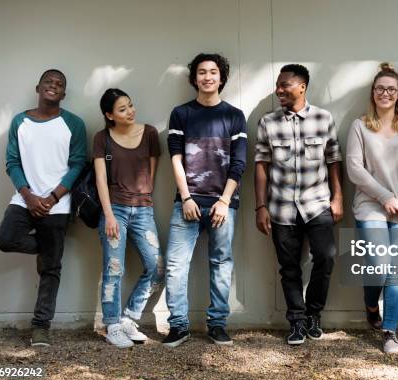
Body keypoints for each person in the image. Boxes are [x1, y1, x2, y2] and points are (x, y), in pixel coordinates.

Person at [0, 69, 87, 346]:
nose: (54, 86)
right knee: (6, 239)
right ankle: (46, 250)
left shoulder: (74, 123)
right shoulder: (20, 121)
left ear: (64, 93)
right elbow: (12, 162)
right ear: (38, 87)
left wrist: (54, 197)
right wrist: (30, 196)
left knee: (51, 269)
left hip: (57, 205)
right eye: (49, 82)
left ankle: (40, 327)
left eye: (59, 84)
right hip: (25, 199)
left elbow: (78, 162)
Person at [255, 64, 343, 345]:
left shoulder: (323, 118)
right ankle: (296, 319)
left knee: (325, 258)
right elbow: (261, 166)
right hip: (281, 207)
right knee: (289, 267)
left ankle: (314, 314)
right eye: (278, 85)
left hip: (318, 204)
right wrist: (260, 206)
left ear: (302, 86)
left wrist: (338, 197)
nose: (279, 90)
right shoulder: (268, 122)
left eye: (285, 85)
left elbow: (333, 160)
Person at [163, 53, 247, 347]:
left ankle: (217, 324)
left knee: (221, 262)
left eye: (213, 72)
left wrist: (224, 201)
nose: (207, 77)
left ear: (221, 77)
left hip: (223, 203)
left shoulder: (235, 116)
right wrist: (185, 197)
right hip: (188, 201)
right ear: (194, 78)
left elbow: (238, 163)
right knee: (175, 264)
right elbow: (175, 158)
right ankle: (178, 325)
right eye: (201, 72)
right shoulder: (181, 114)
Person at [346, 63, 398, 353]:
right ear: (373, 92)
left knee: (397, 270)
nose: (385, 93)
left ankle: (390, 332)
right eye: (380, 88)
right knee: (379, 267)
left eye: (391, 89)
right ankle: (370, 305)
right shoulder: (360, 125)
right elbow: (355, 169)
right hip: (371, 205)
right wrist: (384, 197)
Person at [93, 88, 164, 348]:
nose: (130, 112)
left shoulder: (150, 134)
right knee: (114, 269)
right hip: (114, 210)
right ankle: (111, 324)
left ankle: (128, 318)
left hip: (143, 210)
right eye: (122, 109)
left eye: (131, 106)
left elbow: (152, 168)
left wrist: (145, 195)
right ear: (109, 115)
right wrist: (109, 215)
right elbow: (100, 178)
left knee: (156, 267)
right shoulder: (102, 138)